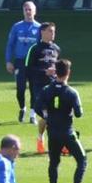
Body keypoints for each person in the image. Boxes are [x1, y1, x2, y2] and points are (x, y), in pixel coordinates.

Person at [34, 59, 87, 183]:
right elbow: (78, 114)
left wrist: (46, 115)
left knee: (54, 162)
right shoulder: (71, 92)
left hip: (52, 133)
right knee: (82, 160)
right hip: (67, 133)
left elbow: (37, 107)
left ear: (55, 72)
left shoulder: (46, 90)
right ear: (68, 73)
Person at [25, 22, 60, 154]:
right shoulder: (34, 49)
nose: (53, 34)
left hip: (54, 86)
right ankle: (43, 139)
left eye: (54, 31)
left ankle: (48, 141)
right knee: (47, 116)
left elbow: (58, 67)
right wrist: (44, 72)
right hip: (39, 87)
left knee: (54, 116)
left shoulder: (56, 48)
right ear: (42, 32)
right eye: (50, 31)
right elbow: (28, 69)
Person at [5, 1, 41, 123]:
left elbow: (42, 47)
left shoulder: (39, 28)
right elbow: (10, 45)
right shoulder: (17, 27)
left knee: (34, 88)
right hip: (20, 62)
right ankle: (22, 108)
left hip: (33, 62)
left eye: (30, 9)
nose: (28, 11)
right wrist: (8, 61)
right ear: (23, 11)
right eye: (25, 9)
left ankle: (32, 115)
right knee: (20, 89)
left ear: (35, 11)